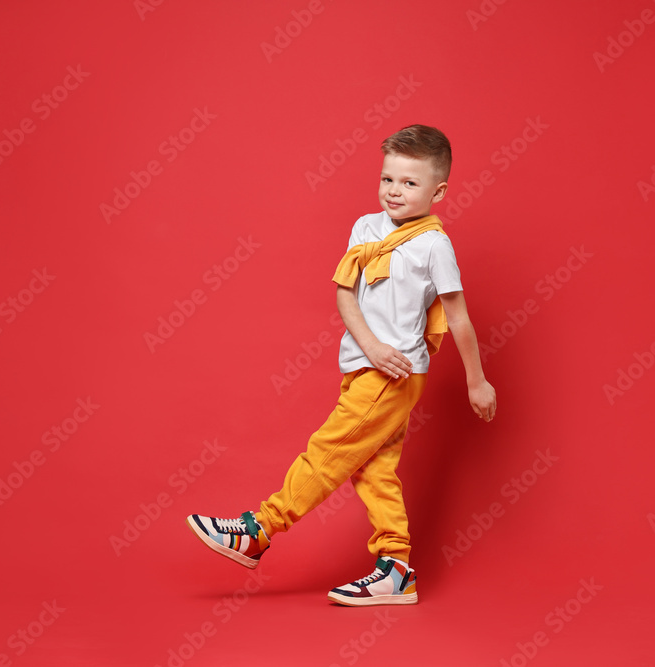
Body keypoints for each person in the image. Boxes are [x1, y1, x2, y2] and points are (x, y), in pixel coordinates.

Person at [187, 124, 496, 606]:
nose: (394, 190)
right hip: (362, 362)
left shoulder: (434, 245)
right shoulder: (365, 228)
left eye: (409, 183)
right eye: (387, 178)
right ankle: (397, 570)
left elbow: (457, 316)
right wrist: (369, 345)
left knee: (329, 449)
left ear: (437, 192)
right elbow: (344, 293)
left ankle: (259, 530)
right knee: (373, 468)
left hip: (395, 372)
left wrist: (477, 381)